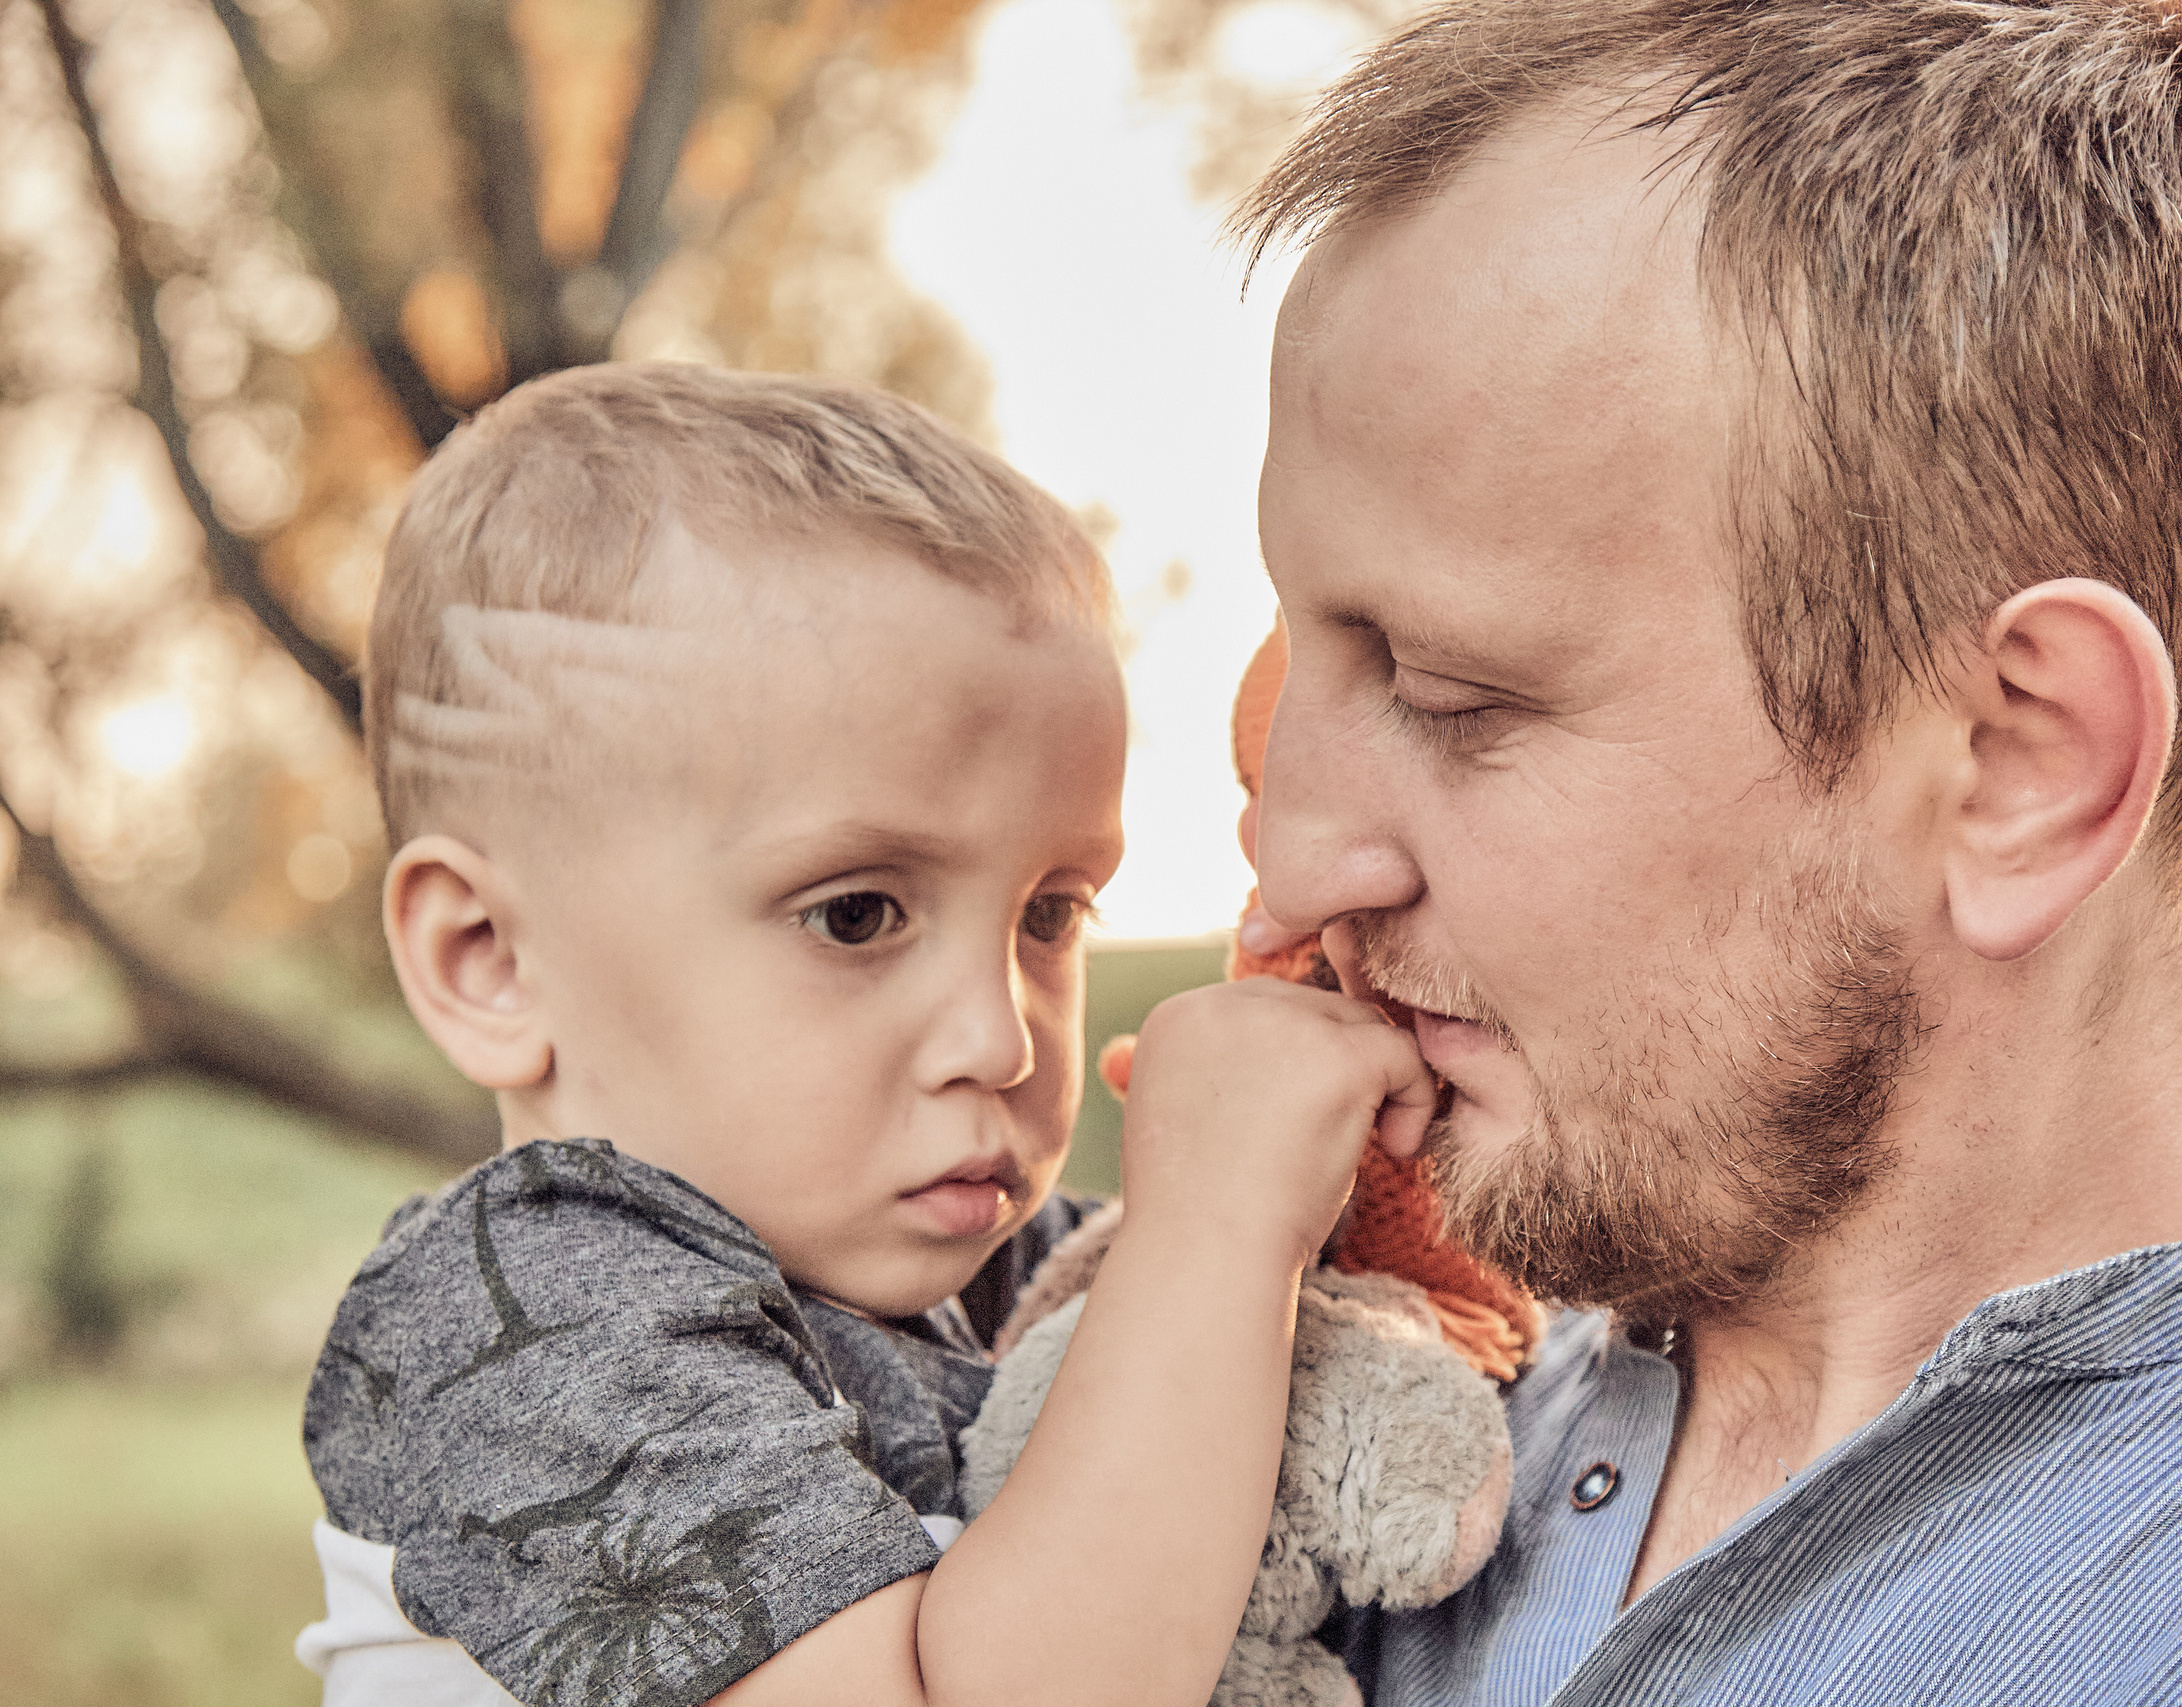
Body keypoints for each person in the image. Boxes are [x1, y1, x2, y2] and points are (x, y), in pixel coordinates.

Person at [1230, 1, 2182, 1701]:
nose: (1289, 847)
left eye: (1450, 690)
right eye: (1300, 662)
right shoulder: (1314, 1440)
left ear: (2023, 764)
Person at [294, 363, 1436, 1707]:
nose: (999, 1038)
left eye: (1050, 913)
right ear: (489, 962)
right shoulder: (523, 1328)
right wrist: (1219, 1228)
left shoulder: (989, 1268)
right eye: (855, 917)